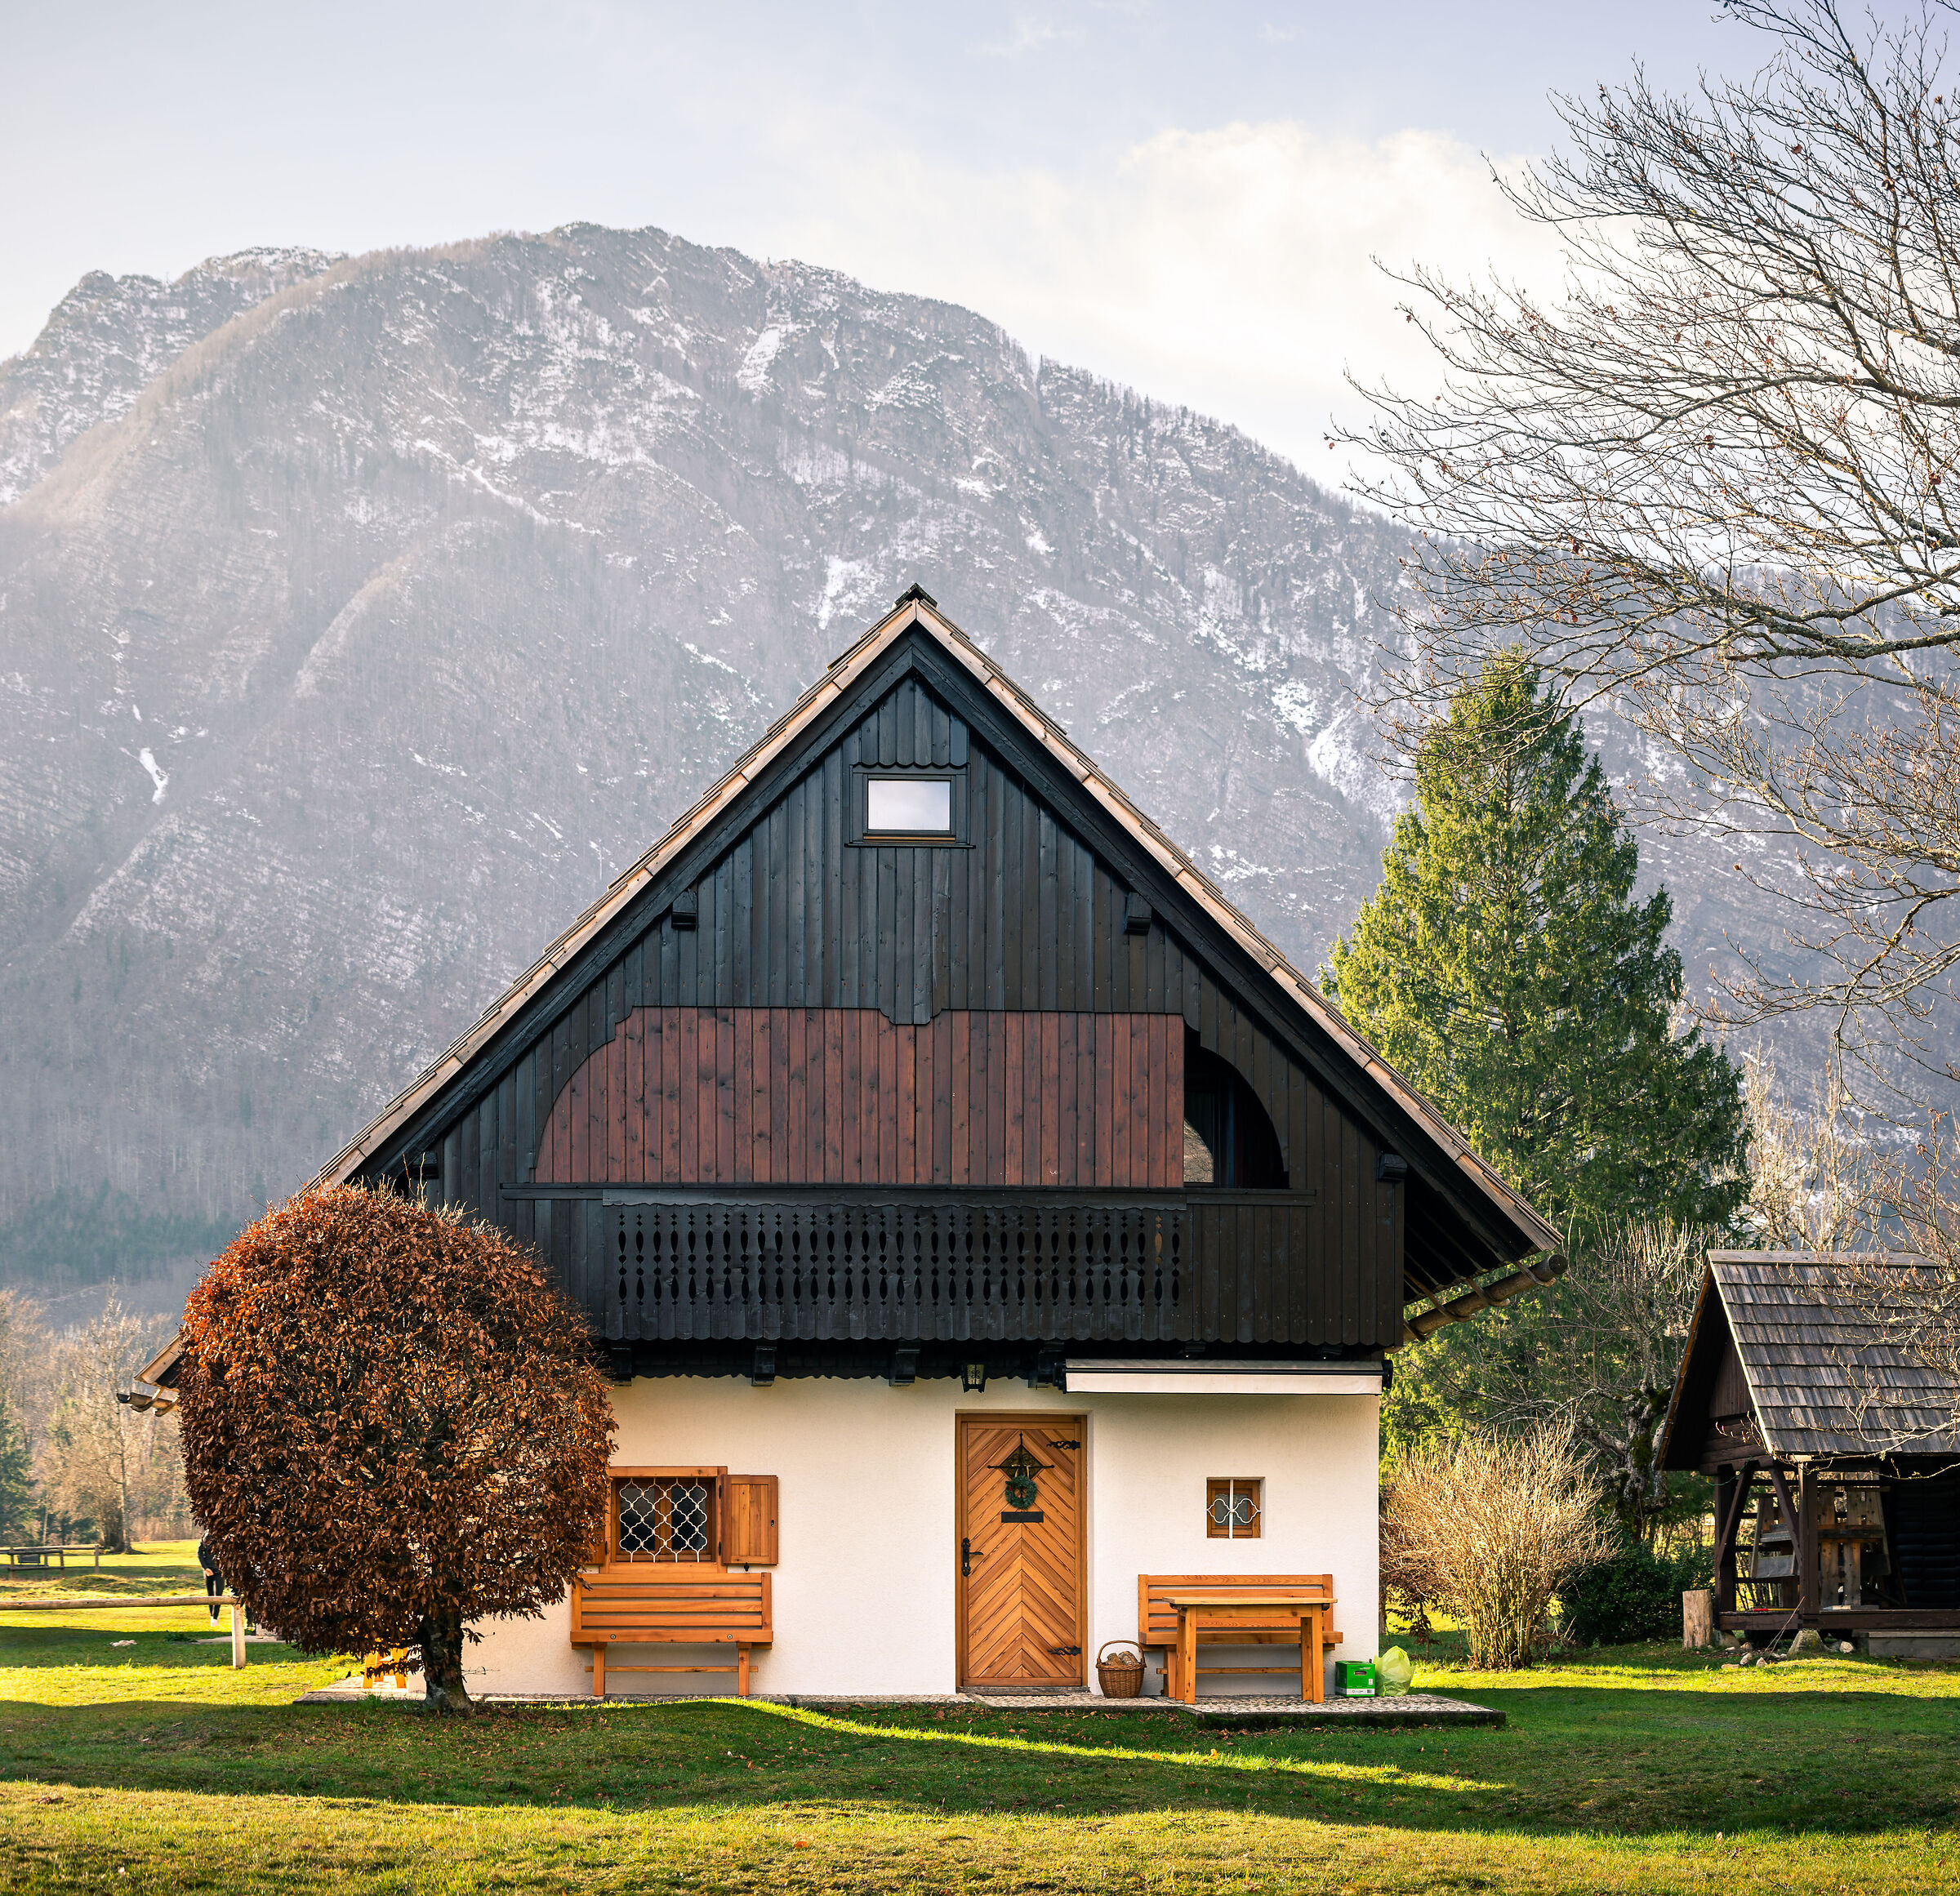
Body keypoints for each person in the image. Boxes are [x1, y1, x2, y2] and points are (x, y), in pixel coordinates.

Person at [197, 1535, 223, 1627]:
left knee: (218, 1594)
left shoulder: (222, 1537)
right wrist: (205, 1568)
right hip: (209, 1570)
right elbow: (200, 1553)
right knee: (210, 1594)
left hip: (220, 1570)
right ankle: (212, 1616)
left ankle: (215, 1617)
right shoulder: (205, 1537)